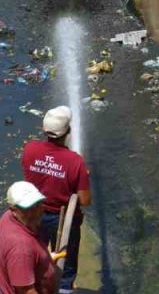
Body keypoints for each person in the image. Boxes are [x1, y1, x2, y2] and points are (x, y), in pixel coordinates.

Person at [20, 106, 91, 292]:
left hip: (32, 214)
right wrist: (82, 176)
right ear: (68, 131)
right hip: (62, 221)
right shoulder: (75, 161)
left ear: (44, 130)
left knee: (37, 258)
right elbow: (84, 200)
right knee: (66, 267)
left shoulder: (30, 149)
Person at [0, 181, 60, 294]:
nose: (36, 211)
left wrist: (44, 259)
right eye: (28, 208)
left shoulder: (7, 217)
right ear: (14, 209)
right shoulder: (21, 248)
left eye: (38, 204)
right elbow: (26, 291)